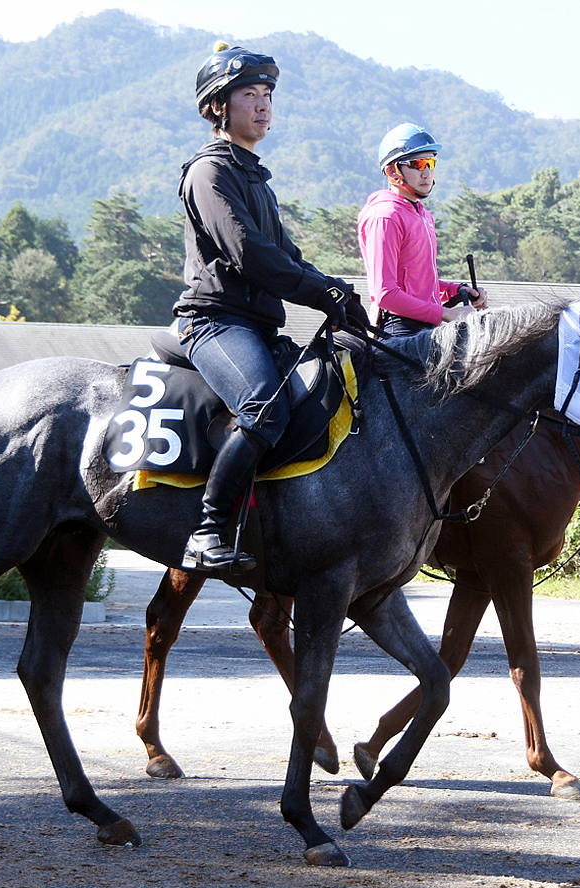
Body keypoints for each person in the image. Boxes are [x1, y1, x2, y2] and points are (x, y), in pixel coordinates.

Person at [173, 41, 369, 575]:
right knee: (264, 407)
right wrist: (324, 295)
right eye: (249, 95)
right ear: (218, 106)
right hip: (214, 322)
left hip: (257, 325)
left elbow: (287, 256)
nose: (263, 105)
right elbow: (252, 257)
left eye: (267, 96)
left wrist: (339, 292)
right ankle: (208, 529)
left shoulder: (255, 176)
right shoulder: (209, 174)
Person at [358, 122, 488, 338]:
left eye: (430, 162)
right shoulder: (385, 216)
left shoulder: (422, 214)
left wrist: (457, 290)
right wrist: (446, 313)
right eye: (418, 164)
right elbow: (386, 294)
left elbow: (418, 281)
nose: (427, 173)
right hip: (399, 330)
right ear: (392, 171)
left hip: (426, 326)